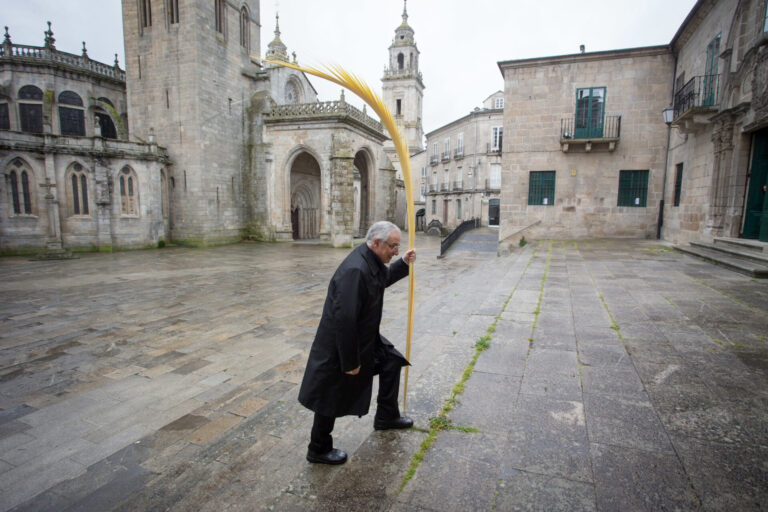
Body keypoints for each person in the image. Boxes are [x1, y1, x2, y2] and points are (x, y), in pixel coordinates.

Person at [298, 221, 417, 465]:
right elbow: (345, 319)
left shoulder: (371, 261)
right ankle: (318, 448)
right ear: (376, 243)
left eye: (397, 247)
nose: (395, 251)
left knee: (391, 362)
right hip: (341, 346)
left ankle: (386, 416)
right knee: (329, 394)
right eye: (393, 247)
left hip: (365, 338)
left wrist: (403, 263)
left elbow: (381, 279)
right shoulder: (355, 270)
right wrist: (350, 361)